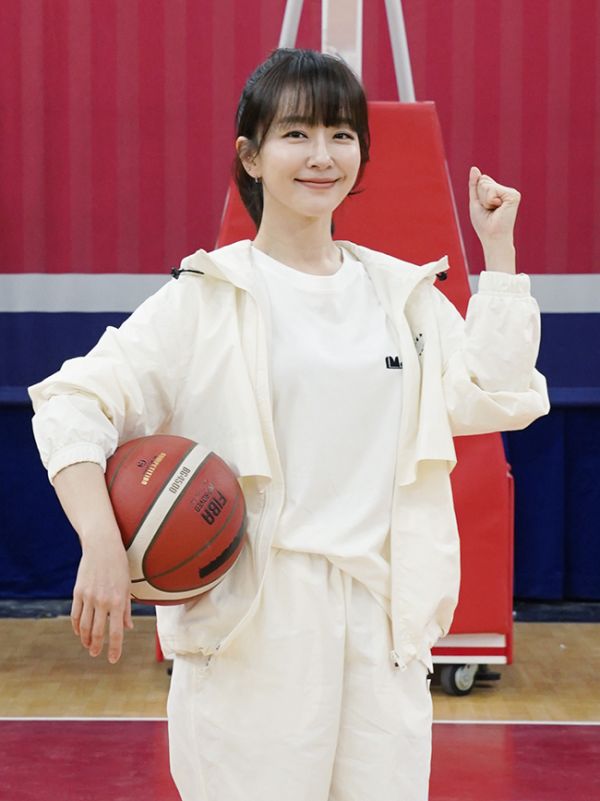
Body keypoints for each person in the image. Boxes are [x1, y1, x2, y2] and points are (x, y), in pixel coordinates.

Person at [29, 48, 549, 801]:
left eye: (342, 134)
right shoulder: (206, 297)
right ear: (251, 155)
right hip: (255, 626)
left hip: (382, 623)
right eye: (297, 134)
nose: (322, 155)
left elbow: (497, 395)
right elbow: (72, 402)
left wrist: (497, 252)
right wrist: (101, 543)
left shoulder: (399, 296)